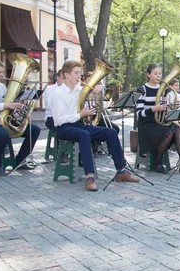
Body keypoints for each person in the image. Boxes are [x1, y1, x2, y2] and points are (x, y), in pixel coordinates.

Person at [52, 60, 138, 191]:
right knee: (84, 135)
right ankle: (89, 177)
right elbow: (58, 120)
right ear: (66, 74)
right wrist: (80, 115)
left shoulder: (79, 90)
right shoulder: (58, 93)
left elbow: (95, 93)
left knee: (111, 132)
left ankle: (121, 171)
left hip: (78, 125)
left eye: (79, 74)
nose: (79, 77)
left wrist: (99, 89)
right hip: (64, 128)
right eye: (76, 73)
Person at [0, 59, 41, 176]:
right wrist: (6, 105)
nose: (2, 75)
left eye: (2, 72)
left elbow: (8, 108)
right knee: (2, 134)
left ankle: (20, 160)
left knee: (34, 129)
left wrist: (22, 116)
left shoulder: (2, 87)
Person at [135, 64, 180, 174]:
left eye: (160, 73)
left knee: (178, 129)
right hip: (147, 124)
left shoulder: (164, 89)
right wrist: (154, 109)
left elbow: (165, 110)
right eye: (155, 73)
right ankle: (158, 162)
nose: (158, 76)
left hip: (160, 122)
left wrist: (171, 107)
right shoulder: (142, 89)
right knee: (169, 132)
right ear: (148, 75)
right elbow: (139, 114)